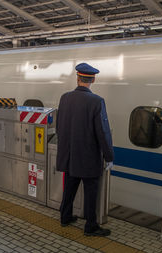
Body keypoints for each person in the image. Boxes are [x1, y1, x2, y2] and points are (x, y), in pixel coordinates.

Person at [56, 62, 114, 236]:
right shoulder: (97, 101)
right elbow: (103, 132)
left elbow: (60, 126)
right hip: (89, 158)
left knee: (69, 188)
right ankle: (91, 226)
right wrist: (109, 156)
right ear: (93, 80)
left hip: (70, 156)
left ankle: (65, 217)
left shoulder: (64, 98)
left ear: (78, 78)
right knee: (91, 193)